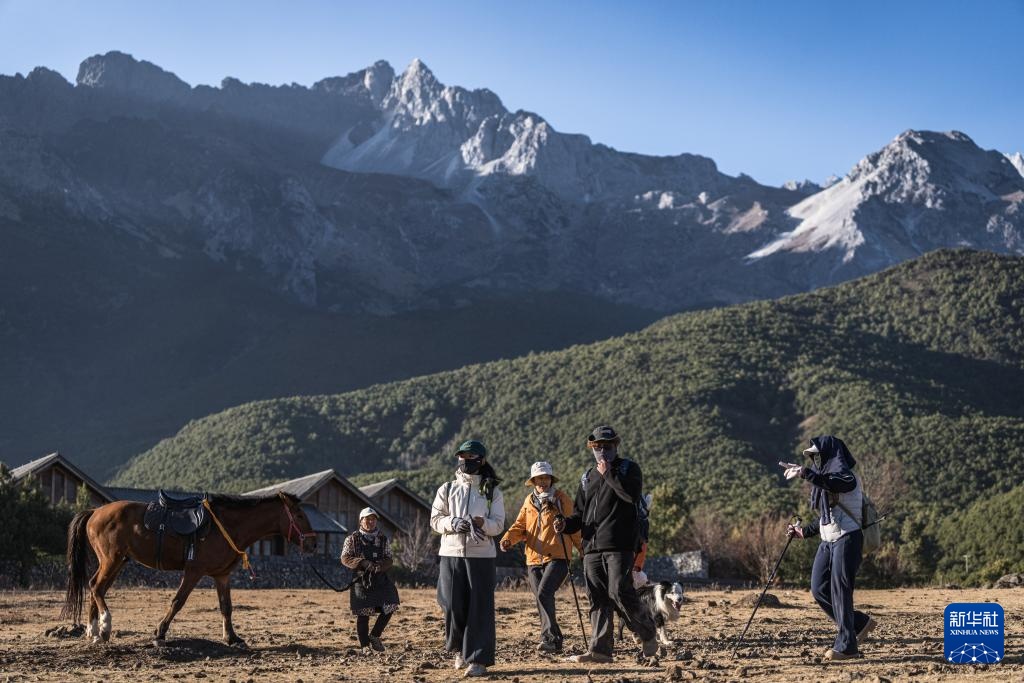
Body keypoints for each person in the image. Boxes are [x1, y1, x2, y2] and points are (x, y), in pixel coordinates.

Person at [554, 426, 658, 662]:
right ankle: (600, 651)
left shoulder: (628, 469)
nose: (602, 450)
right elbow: (579, 514)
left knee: (619, 592)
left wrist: (609, 474)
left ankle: (647, 631)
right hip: (590, 547)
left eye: (607, 446)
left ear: (616, 446)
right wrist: (565, 524)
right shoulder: (587, 476)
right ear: (592, 448)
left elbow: (631, 497)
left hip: (619, 544)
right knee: (598, 598)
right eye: (597, 447)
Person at [782, 435, 878, 661]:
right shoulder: (823, 479)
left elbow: (836, 484)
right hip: (828, 540)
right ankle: (859, 623)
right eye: (813, 458)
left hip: (848, 539)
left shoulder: (847, 476)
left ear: (831, 454)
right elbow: (827, 517)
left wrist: (805, 473)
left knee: (840, 592)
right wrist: (803, 531)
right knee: (819, 588)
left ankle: (847, 647)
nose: (815, 460)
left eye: (818, 456)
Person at [430, 440, 506, 678]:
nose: (464, 460)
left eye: (470, 456)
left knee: (479, 608)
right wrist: (452, 523)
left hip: (481, 556)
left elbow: (499, 525)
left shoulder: (492, 490)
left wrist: (483, 523)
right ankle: (460, 649)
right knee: (452, 604)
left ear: (481, 460)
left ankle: (478, 659)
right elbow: (435, 520)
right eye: (461, 456)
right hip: (451, 553)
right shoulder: (447, 488)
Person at [499, 461, 582, 653]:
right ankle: (553, 640)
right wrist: (507, 540)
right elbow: (520, 526)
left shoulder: (562, 500)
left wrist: (584, 550)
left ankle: (551, 638)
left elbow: (574, 527)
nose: (542, 482)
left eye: (545, 478)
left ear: (551, 479)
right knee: (540, 597)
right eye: (538, 479)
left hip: (558, 557)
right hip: (534, 558)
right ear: (533, 481)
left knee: (544, 593)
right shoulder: (529, 501)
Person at [339, 507, 400, 652]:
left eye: (373, 519)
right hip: (361, 581)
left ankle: (375, 635)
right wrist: (362, 563)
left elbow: (389, 559)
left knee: (391, 604)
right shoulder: (352, 539)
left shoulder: (383, 539)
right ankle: (365, 646)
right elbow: (345, 558)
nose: (371, 522)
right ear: (361, 521)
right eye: (367, 519)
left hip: (380, 579)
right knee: (363, 613)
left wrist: (380, 566)